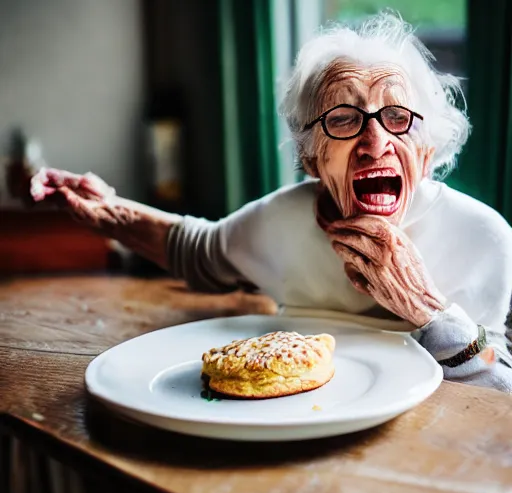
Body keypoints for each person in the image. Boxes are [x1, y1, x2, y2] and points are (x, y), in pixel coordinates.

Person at [30, 12, 512, 392]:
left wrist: (427, 308)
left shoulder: (485, 238)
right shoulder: (283, 219)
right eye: (344, 118)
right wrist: (111, 211)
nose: (374, 141)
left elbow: (502, 382)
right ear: (312, 158)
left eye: (397, 117)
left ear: (425, 155)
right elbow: (199, 251)